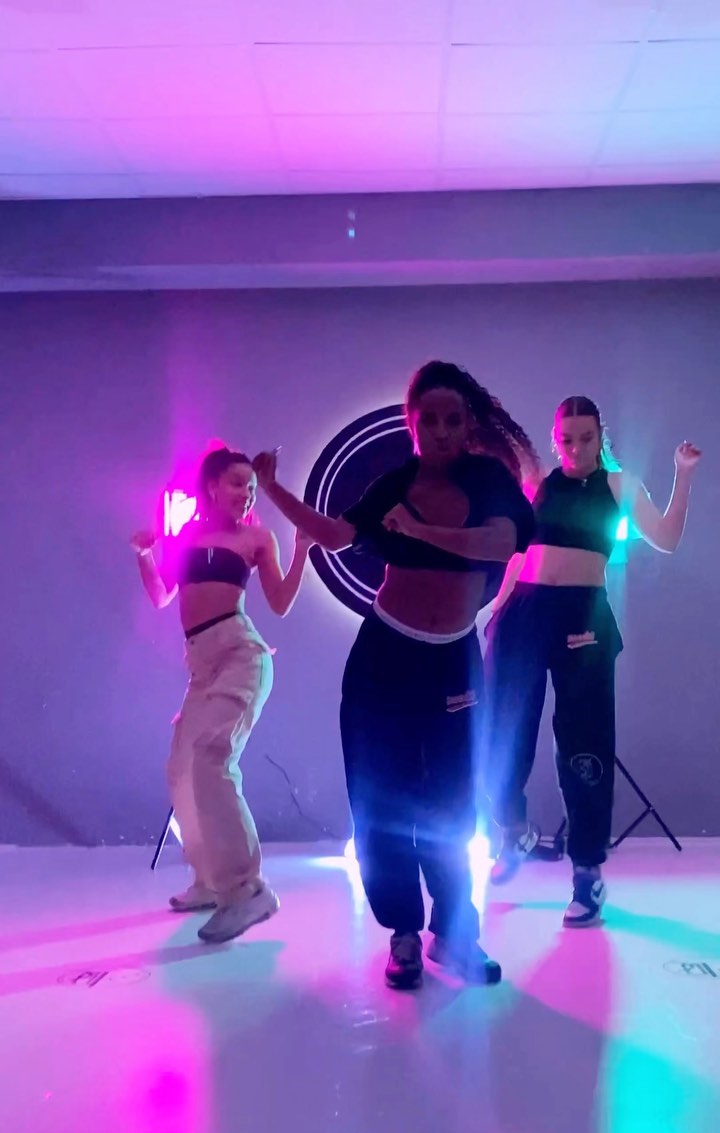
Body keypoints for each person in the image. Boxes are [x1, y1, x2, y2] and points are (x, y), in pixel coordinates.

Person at [253, 361, 537, 989]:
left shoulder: (488, 479)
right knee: (381, 798)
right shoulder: (394, 485)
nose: (441, 431)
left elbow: (498, 544)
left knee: (452, 802)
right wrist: (272, 490)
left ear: (467, 424)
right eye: (428, 420)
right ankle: (403, 933)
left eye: (452, 419)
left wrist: (419, 530)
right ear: (413, 425)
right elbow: (334, 535)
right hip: (384, 656)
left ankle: (453, 934)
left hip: (452, 659)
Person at [484, 395, 701, 926]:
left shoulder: (619, 486)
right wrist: (497, 610)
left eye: (586, 438)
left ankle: (587, 873)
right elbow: (519, 555)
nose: (576, 449)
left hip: (583, 616)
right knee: (501, 730)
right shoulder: (541, 486)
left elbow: (667, 539)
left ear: (600, 436)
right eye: (566, 440)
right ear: (555, 439)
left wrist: (682, 474)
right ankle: (514, 830)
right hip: (524, 613)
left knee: (584, 741)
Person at [131, 446, 311, 944]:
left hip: (240, 655)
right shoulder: (186, 537)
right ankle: (210, 881)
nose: (247, 494)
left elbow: (279, 602)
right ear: (212, 487)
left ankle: (246, 889)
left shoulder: (256, 538)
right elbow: (161, 595)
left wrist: (302, 551)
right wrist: (144, 554)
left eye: (251, 487)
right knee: (181, 768)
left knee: (212, 757)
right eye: (237, 484)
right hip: (202, 666)